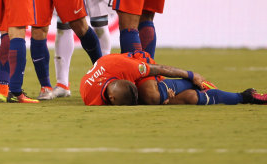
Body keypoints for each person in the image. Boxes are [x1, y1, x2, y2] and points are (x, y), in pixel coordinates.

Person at [81, 51, 267, 106]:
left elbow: (161, 68)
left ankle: (200, 85)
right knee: (188, 99)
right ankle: (245, 96)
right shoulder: (89, 95)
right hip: (121, 72)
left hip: (139, 59)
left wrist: (192, 75)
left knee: (152, 97)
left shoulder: (129, 68)